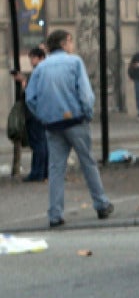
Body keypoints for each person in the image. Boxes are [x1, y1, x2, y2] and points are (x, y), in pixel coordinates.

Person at [25, 30, 114, 228]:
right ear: (65, 43)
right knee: (88, 162)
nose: (72, 46)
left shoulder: (40, 69)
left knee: (56, 169)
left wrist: (43, 115)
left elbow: (30, 98)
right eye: (71, 42)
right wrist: (87, 113)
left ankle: (55, 214)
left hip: (52, 124)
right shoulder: (74, 62)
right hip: (75, 120)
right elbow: (85, 94)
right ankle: (101, 203)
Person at [15, 47, 48, 182]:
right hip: (43, 112)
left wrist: (24, 85)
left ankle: (38, 172)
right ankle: (42, 172)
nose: (31, 61)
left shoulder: (39, 72)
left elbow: (31, 94)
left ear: (40, 58)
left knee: (38, 143)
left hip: (35, 113)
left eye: (33, 58)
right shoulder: (45, 71)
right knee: (42, 142)